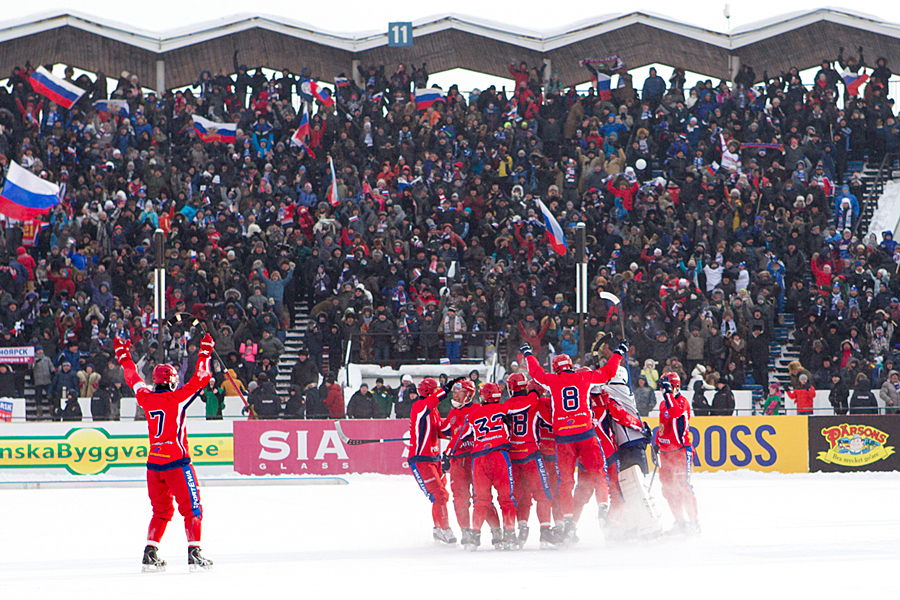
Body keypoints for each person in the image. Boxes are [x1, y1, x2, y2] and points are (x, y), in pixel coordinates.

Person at [113, 334, 215, 573]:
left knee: (161, 511)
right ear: (170, 381)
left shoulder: (146, 399)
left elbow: (132, 377)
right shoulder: (177, 399)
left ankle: (151, 551)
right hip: (177, 463)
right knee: (192, 508)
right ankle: (195, 552)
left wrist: (123, 356)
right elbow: (202, 377)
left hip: (154, 465)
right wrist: (205, 353)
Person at [521, 341, 626, 544]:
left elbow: (535, 372)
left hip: (564, 438)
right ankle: (603, 507)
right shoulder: (584, 377)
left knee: (566, 482)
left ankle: (568, 521)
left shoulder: (551, 380)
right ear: (570, 366)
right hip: (586, 433)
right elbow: (608, 371)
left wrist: (528, 353)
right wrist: (618, 352)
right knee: (598, 474)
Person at [449, 381, 518, 550]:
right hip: (500, 456)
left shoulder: (473, 413)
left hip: (479, 459)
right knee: (506, 499)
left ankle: (474, 536)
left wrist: (447, 454)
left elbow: (460, 437)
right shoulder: (504, 408)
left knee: (480, 500)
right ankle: (509, 534)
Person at [439, 376, 504, 550]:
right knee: (460, 498)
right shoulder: (453, 413)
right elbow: (442, 431)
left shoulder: (477, 409)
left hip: (476, 458)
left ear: (468, 395)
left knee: (482, 497)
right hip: (457, 460)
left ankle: (497, 531)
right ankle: (466, 532)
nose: (456, 396)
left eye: (459, 393)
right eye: (455, 392)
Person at [502, 372, 557, 549]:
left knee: (520, 496)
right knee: (543, 494)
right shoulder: (536, 402)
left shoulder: (505, 405)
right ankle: (545, 532)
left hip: (512, 456)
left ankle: (522, 529)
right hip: (532, 453)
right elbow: (550, 422)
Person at [408, 376, 458, 544]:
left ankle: (438, 529)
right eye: (436, 389)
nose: (438, 391)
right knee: (439, 495)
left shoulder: (433, 410)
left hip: (434, 458)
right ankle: (445, 529)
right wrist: (447, 389)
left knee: (442, 495)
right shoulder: (420, 406)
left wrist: (456, 418)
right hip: (421, 460)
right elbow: (432, 401)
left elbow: (441, 431)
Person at [653, 373, 700, 535]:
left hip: (680, 450)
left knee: (683, 486)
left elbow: (675, 413)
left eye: (665, 386)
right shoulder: (662, 404)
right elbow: (662, 426)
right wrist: (657, 444)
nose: (662, 390)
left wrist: (668, 394)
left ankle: (694, 523)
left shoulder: (682, 402)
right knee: (668, 489)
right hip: (666, 453)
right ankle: (680, 523)